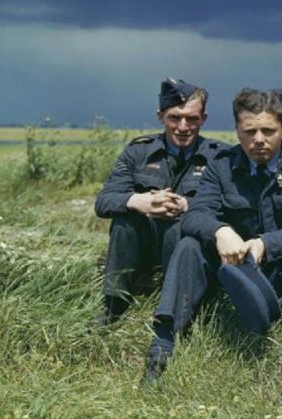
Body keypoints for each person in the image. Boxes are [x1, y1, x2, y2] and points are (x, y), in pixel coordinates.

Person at [141, 89, 282, 409]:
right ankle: (160, 353)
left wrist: (266, 243)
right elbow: (196, 215)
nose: (259, 139)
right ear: (238, 131)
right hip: (233, 271)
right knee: (190, 244)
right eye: (249, 132)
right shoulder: (222, 165)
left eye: (268, 131)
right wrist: (220, 231)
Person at [94, 78, 224, 324]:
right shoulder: (138, 152)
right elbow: (103, 202)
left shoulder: (220, 156)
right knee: (124, 220)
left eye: (192, 119)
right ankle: (114, 303)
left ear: (204, 119)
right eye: (174, 118)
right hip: (144, 245)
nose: (183, 127)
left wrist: (186, 205)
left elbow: (231, 207)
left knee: (182, 225)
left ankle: (181, 305)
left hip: (188, 250)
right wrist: (138, 201)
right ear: (160, 116)